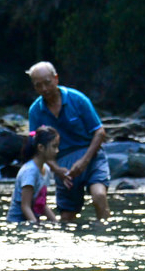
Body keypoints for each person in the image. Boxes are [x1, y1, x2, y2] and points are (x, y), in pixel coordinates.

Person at [26, 61, 110, 222]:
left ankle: (105, 235)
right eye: (38, 86)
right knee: (66, 217)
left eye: (47, 83)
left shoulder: (77, 99)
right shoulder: (35, 111)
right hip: (63, 166)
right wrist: (57, 170)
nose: (44, 89)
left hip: (91, 157)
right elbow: (37, 146)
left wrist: (84, 161)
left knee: (99, 196)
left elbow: (99, 132)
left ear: (56, 79)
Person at [7, 126, 60, 224]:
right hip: (17, 222)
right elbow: (25, 206)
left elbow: (42, 204)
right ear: (41, 147)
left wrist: (56, 223)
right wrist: (35, 226)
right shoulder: (30, 171)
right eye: (54, 146)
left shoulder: (46, 169)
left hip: (31, 220)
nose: (57, 151)